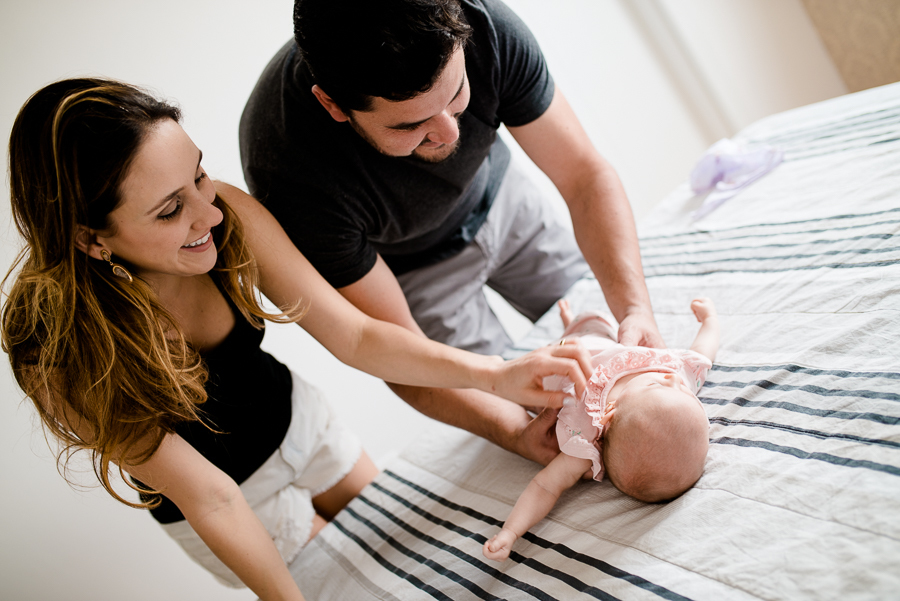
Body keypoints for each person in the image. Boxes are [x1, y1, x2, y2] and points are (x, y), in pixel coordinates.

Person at [1, 78, 596, 600]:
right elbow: (211, 498)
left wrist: (493, 373)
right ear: (89, 239)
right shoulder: (57, 347)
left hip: (300, 425)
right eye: (168, 210)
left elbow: (357, 335)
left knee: (427, 550)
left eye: (200, 174)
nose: (208, 214)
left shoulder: (224, 211)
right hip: (229, 500)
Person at [239, 0, 664, 468]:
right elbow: (393, 353)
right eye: (411, 124)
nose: (447, 133)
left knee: (615, 341)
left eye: (456, 94)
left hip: (505, 199)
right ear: (333, 105)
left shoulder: (486, 24)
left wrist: (635, 307)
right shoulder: (289, 170)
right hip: (412, 276)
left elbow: (585, 178)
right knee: (545, 417)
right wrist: (514, 432)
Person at [483, 298, 719, 562]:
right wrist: (709, 321)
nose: (673, 379)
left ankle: (522, 352)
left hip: (548, 370)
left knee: (516, 386)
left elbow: (545, 487)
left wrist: (510, 532)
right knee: (596, 323)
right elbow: (702, 354)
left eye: (657, 385)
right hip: (600, 341)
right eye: (687, 392)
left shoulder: (583, 441)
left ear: (609, 415)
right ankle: (569, 323)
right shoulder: (677, 381)